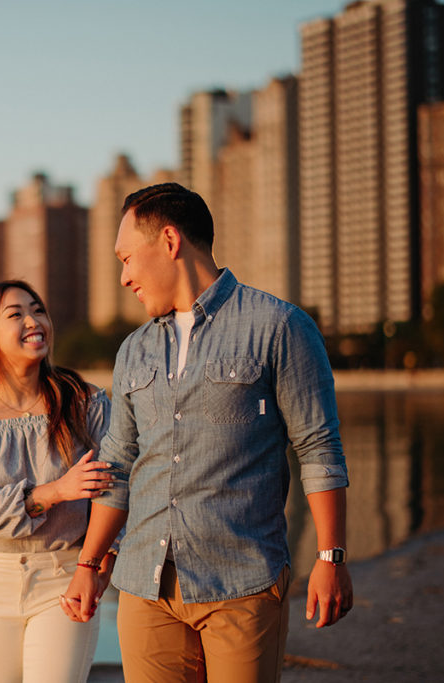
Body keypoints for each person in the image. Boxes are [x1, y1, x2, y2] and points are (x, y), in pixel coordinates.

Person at [61, 183, 352, 683]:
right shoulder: (133, 350)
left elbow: (317, 446)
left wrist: (330, 557)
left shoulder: (279, 327)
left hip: (242, 581)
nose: (125, 277)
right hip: (145, 588)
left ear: (170, 241)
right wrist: (89, 565)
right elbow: (118, 463)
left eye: (128, 258)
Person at [0, 280, 116, 683]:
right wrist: (55, 492)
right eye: (16, 315)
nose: (34, 321)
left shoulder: (87, 403)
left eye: (38, 310)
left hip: (65, 574)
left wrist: (101, 564)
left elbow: (120, 488)